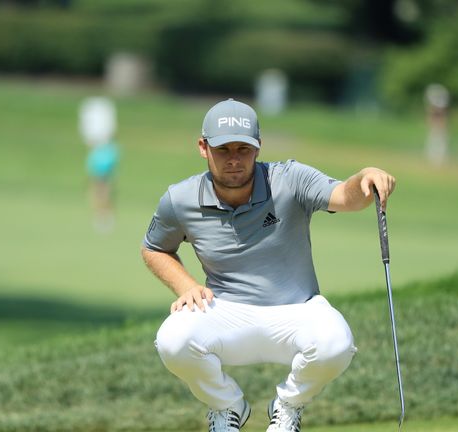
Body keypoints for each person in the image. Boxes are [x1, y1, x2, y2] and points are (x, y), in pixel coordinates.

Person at [141, 98, 396, 432]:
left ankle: (287, 406)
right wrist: (186, 286)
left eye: (243, 150)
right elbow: (154, 248)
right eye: (223, 150)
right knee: (172, 340)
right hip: (224, 310)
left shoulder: (289, 179)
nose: (234, 160)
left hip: (297, 309)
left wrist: (366, 175)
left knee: (337, 343)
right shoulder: (180, 198)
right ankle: (227, 406)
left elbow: (346, 197)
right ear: (203, 148)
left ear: (258, 147)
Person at [79, 97, 120, 232]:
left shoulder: (101, 113)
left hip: (102, 154)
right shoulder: (101, 112)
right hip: (103, 153)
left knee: (100, 186)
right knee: (101, 185)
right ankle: (102, 214)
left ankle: (103, 215)